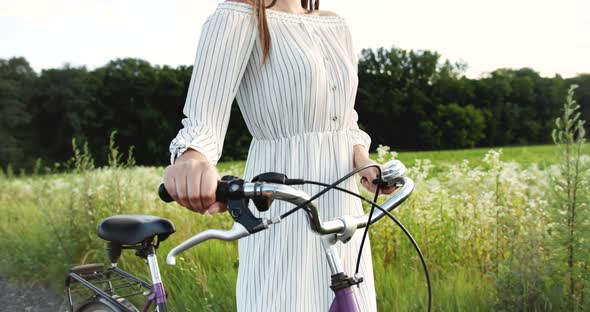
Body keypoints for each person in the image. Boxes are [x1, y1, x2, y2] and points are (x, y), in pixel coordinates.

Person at [162, 0, 397, 311]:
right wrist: (192, 159)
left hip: (341, 200)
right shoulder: (237, 16)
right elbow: (203, 122)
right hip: (280, 201)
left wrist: (364, 163)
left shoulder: (335, 24)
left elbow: (345, 119)